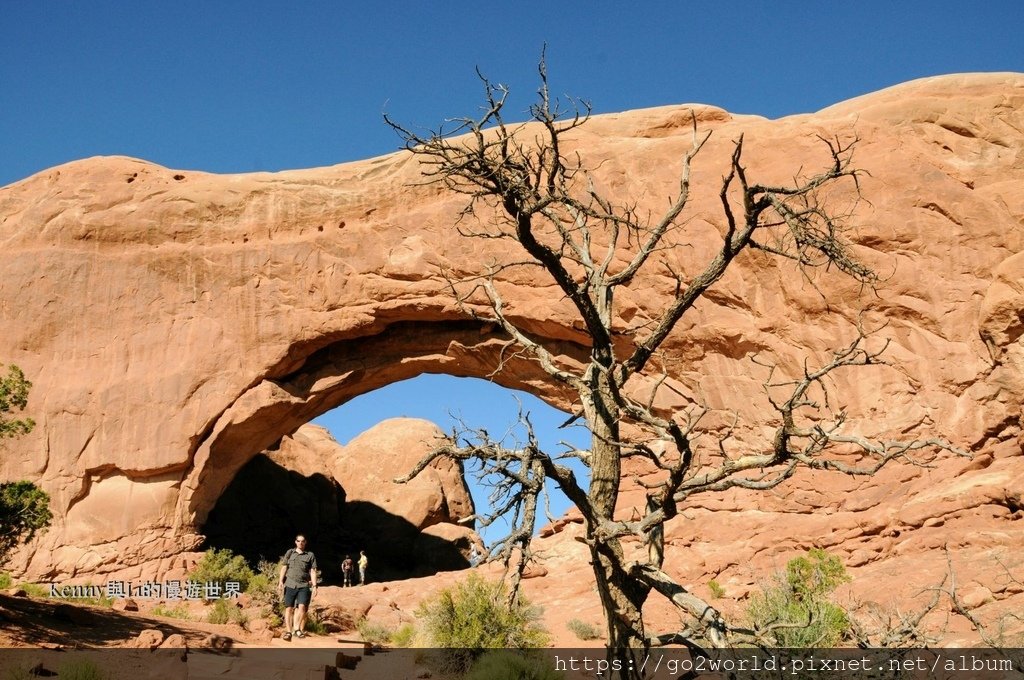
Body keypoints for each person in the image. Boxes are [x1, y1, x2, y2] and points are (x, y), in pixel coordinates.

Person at [278, 534, 318, 641]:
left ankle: (297, 629)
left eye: (302, 541)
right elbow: (284, 567)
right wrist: (280, 581)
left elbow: (313, 571)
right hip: (290, 583)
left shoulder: (310, 555)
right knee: (289, 608)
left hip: (304, 585)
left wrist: (314, 586)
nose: (300, 543)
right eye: (298, 541)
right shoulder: (290, 552)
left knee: (302, 607)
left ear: (305, 542)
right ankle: (288, 631)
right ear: (295, 542)